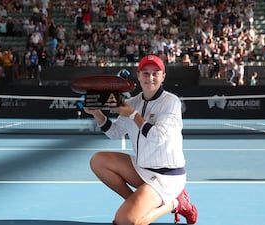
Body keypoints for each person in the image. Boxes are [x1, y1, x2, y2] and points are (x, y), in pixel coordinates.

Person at [84, 55, 198, 225]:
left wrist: (132, 114)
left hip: (166, 176)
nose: (150, 78)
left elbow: (158, 137)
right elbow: (115, 133)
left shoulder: (170, 102)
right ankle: (138, 203)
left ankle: (176, 202)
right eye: (145, 73)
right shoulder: (132, 102)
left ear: (163, 76)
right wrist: (97, 114)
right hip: (141, 168)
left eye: (155, 73)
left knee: (126, 221)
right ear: (138, 75)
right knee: (98, 161)